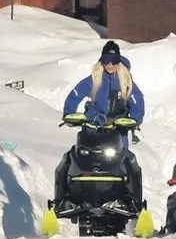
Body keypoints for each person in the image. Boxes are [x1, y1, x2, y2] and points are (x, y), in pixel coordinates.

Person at [53, 40, 146, 207]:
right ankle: (62, 201)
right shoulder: (94, 78)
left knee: (129, 161)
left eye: (114, 61)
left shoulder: (125, 80)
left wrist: (134, 120)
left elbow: (137, 101)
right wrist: (69, 113)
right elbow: (75, 94)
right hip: (92, 130)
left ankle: (134, 203)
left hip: (117, 131)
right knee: (69, 158)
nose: (110, 65)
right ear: (101, 61)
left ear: (118, 61)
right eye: (106, 61)